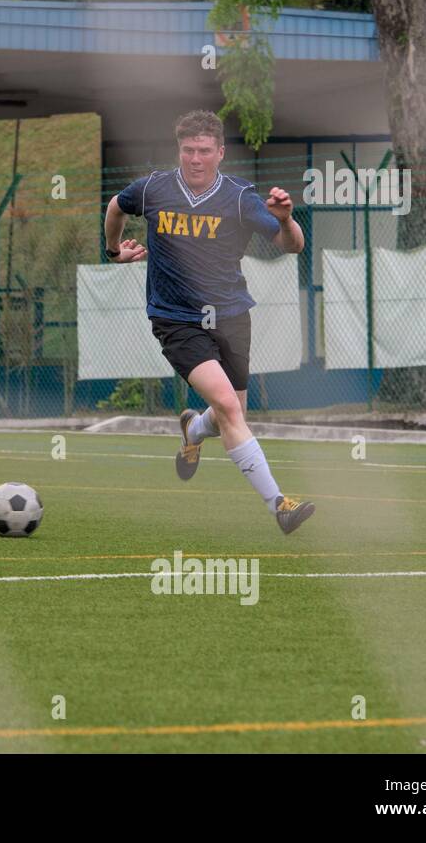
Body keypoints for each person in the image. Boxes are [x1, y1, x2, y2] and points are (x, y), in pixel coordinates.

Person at [103, 110, 316, 534]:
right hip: (176, 318)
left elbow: (293, 246)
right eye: (187, 151)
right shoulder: (153, 189)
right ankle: (280, 505)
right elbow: (115, 206)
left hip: (233, 316)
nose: (195, 159)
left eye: (204, 151)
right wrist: (113, 251)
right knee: (230, 406)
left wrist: (287, 218)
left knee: (225, 414)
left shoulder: (239, 198)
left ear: (220, 152)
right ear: (178, 150)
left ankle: (194, 430)